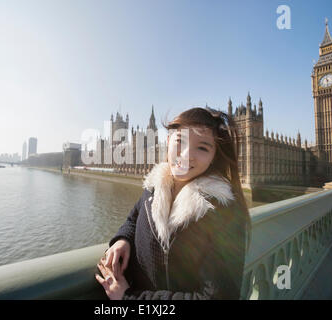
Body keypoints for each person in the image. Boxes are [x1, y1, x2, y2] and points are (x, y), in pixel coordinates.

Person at [95, 107, 251, 300]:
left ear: (214, 156)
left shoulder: (223, 212)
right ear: (168, 142)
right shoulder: (153, 187)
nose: (186, 154)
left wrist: (128, 298)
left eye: (202, 147)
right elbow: (134, 219)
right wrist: (122, 240)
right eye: (180, 141)